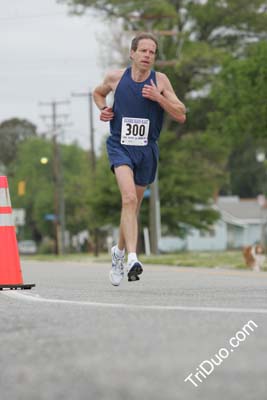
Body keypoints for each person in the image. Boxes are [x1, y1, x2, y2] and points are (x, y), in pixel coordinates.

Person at [93, 32, 186, 286]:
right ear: (132, 54)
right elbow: (97, 93)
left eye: (152, 52)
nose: (147, 55)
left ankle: (118, 253)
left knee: (132, 208)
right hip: (120, 145)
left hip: (147, 149)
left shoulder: (161, 80)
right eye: (143, 50)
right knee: (129, 198)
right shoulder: (116, 77)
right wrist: (104, 110)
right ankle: (133, 258)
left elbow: (181, 114)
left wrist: (159, 97)